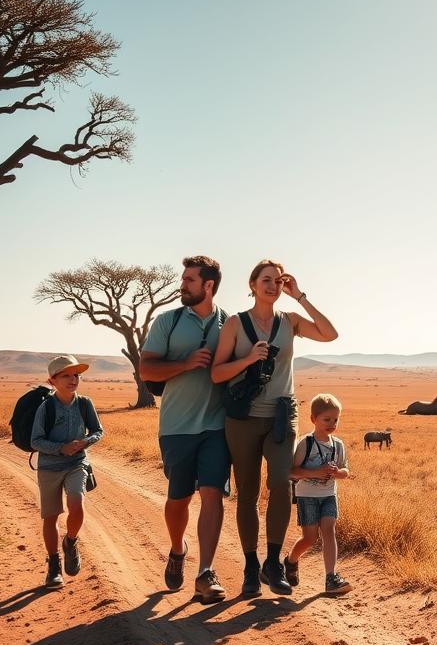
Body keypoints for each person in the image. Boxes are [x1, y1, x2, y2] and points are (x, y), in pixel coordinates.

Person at [212, 260, 338, 596]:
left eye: (279, 282)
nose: (273, 286)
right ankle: (251, 567)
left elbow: (330, 333)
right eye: (266, 280)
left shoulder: (291, 322)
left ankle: (272, 562)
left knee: (282, 483)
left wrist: (301, 297)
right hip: (243, 419)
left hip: (282, 415)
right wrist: (248, 360)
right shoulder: (235, 324)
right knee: (247, 493)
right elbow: (217, 373)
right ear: (252, 284)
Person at [139, 256, 230, 603]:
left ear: (208, 285)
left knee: (212, 493)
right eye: (183, 278)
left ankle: (206, 571)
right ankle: (178, 549)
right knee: (179, 499)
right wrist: (186, 364)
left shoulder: (230, 323)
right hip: (176, 426)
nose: (182, 284)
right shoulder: (168, 321)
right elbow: (147, 369)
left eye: (189, 280)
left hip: (216, 426)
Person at [30, 355, 103, 588]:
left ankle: (70, 542)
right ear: (52, 381)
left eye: (76, 375)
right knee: (50, 517)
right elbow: (36, 441)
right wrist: (61, 448)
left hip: (77, 464)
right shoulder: (46, 407)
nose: (73, 379)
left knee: (76, 503)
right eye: (66, 376)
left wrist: (85, 442)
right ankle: (53, 566)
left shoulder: (84, 403)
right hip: (49, 467)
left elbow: (98, 430)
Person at [284, 393, 353, 595]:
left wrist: (336, 473)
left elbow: (345, 471)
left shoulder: (338, 445)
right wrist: (316, 472)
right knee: (310, 538)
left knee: (329, 531)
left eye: (335, 419)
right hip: (307, 497)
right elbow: (292, 472)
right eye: (327, 419)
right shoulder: (305, 443)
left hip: (329, 495)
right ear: (314, 419)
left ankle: (331, 577)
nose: (332, 424)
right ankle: (290, 560)